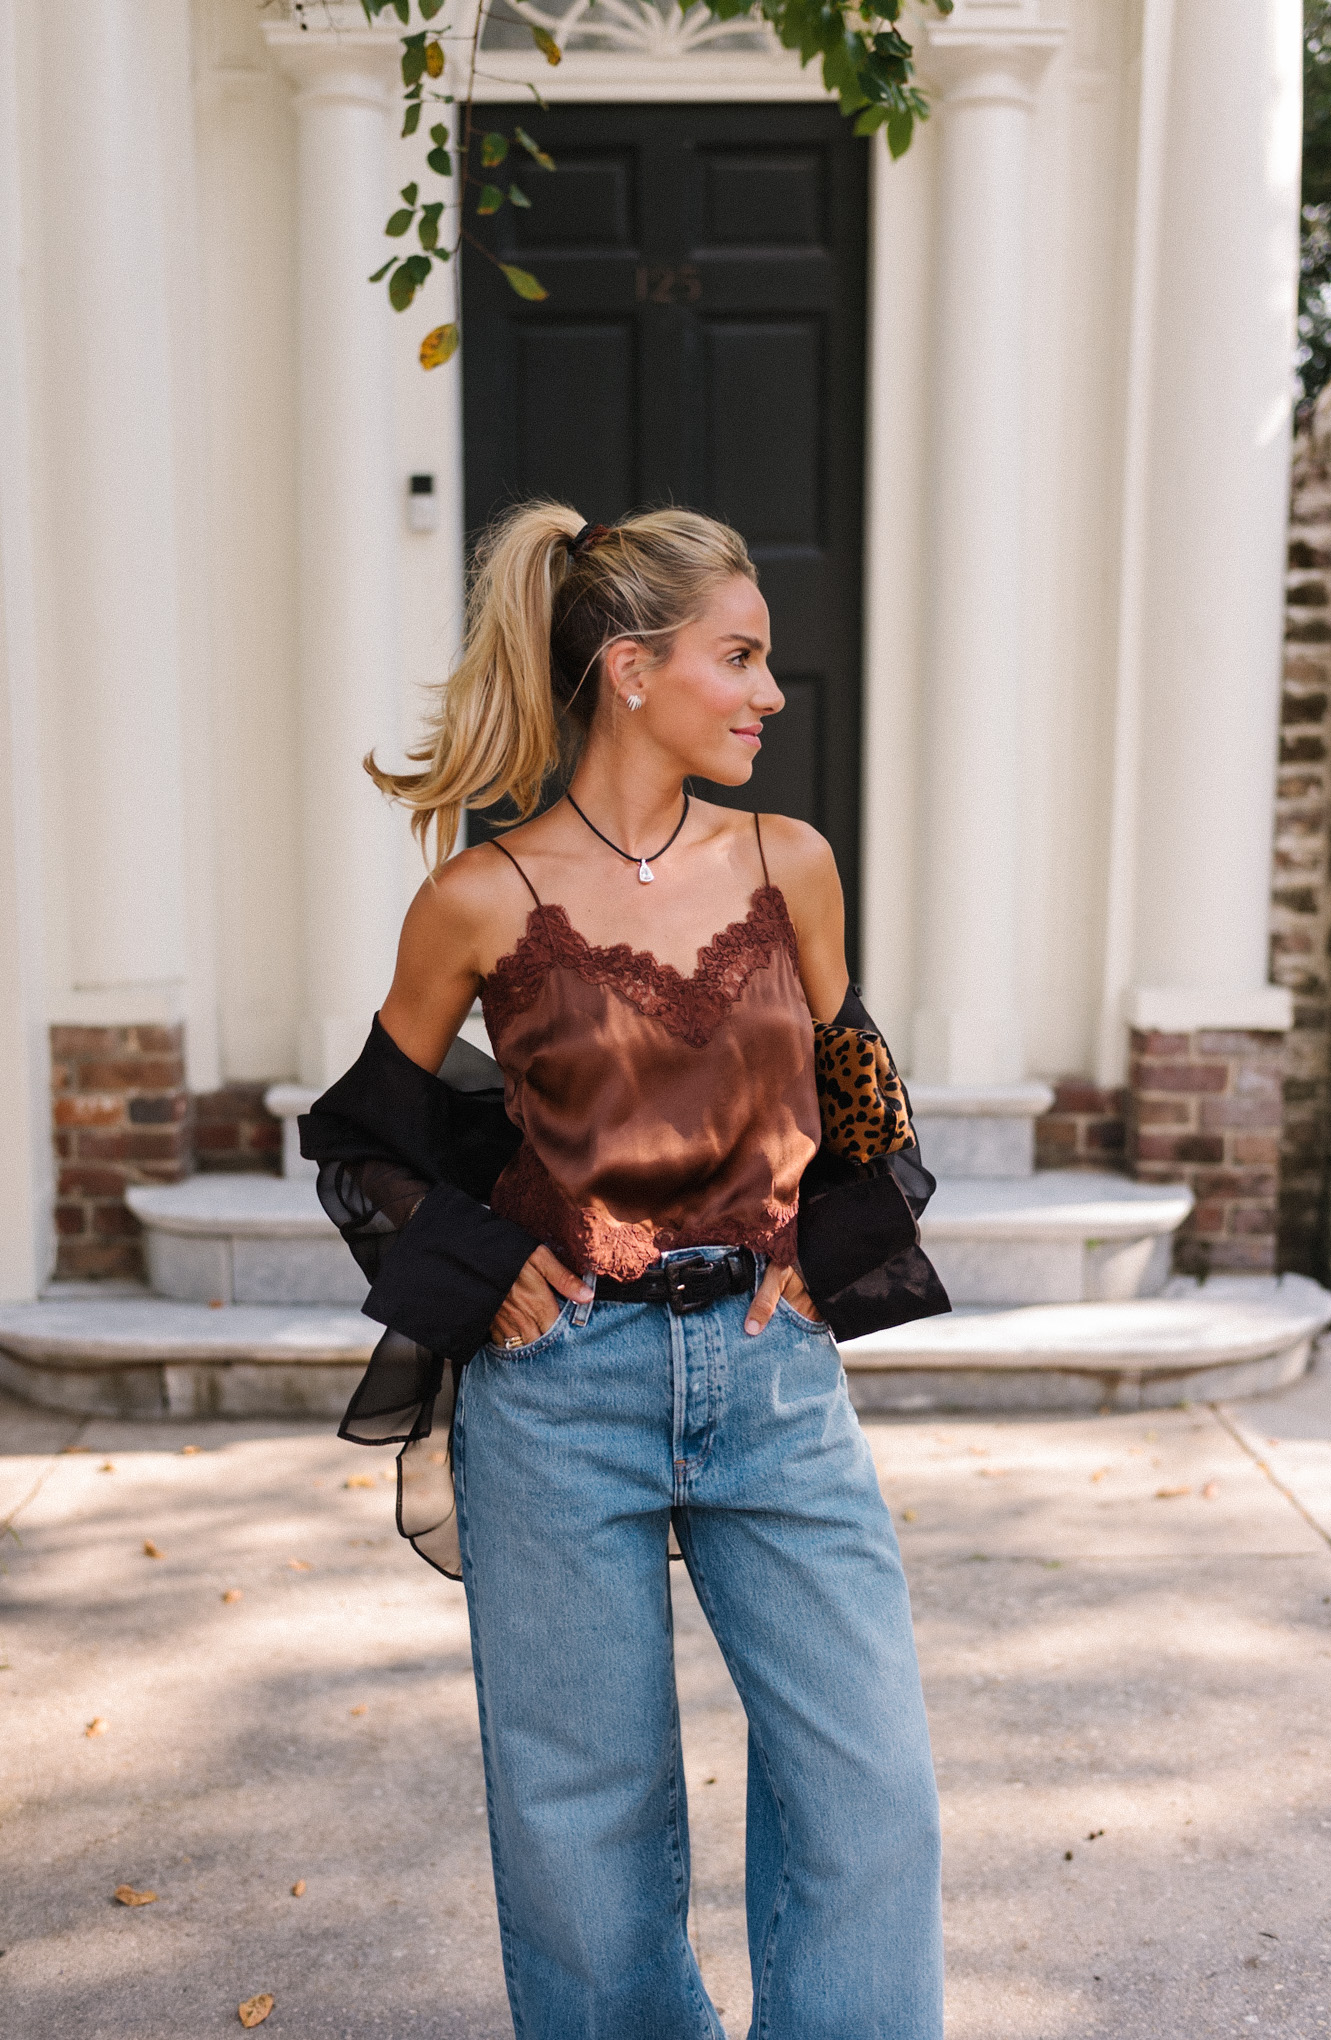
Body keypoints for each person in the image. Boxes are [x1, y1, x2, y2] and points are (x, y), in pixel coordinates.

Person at [302, 503, 946, 2040]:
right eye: (739, 658)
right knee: (583, 1836)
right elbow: (362, 1137)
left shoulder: (792, 862)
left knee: (873, 1792)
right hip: (559, 1395)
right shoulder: (480, 899)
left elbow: (861, 1092)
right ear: (628, 668)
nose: (768, 696)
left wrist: (819, 1240)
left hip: (773, 1380)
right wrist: (485, 1262)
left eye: (766, 663)